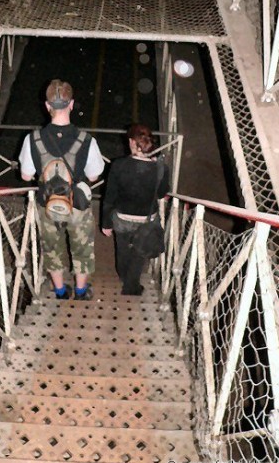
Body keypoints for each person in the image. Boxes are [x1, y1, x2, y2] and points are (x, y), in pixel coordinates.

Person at [19, 79, 105, 300]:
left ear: (47, 106)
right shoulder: (87, 140)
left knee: (51, 248)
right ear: (72, 104)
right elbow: (95, 175)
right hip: (76, 204)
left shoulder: (32, 139)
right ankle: (81, 290)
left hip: (46, 204)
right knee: (82, 249)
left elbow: (26, 175)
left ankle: (59, 291)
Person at [101, 124, 170, 295]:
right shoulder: (160, 167)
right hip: (146, 219)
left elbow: (109, 196)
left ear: (132, 142)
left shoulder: (118, 165)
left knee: (122, 248)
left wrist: (106, 223)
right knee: (140, 251)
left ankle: (123, 276)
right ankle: (131, 286)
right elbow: (161, 193)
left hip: (122, 218)